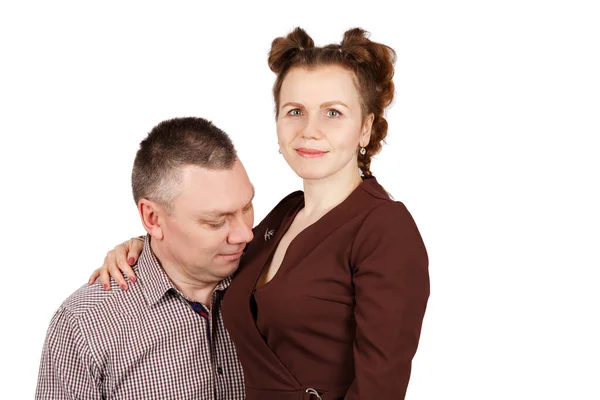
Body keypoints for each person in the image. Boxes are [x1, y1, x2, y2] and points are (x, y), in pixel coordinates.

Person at [93, 27, 430, 399]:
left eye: (333, 113)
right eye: (295, 111)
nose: (309, 131)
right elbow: (212, 253)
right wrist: (142, 244)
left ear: (365, 128)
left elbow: (379, 388)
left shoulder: (385, 228)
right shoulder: (286, 214)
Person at [36, 117, 251, 399]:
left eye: (247, 207)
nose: (245, 234)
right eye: (215, 221)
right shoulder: (85, 323)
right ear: (152, 218)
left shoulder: (273, 271)